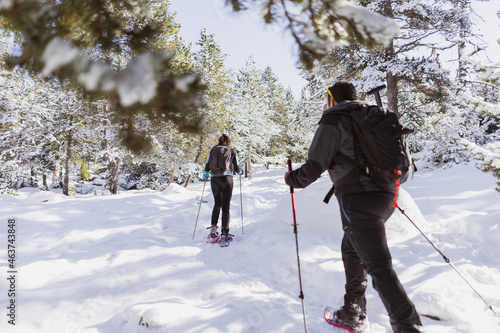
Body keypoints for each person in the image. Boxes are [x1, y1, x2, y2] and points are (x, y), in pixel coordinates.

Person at [284, 82, 422, 333]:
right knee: (351, 248)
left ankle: (408, 326)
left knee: (378, 266)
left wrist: (292, 179)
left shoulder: (334, 119)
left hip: (357, 201)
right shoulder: (374, 117)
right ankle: (353, 310)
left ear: (331, 99)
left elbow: (315, 165)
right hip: (388, 197)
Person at [203, 134, 242, 243]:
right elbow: (236, 165)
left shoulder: (213, 150)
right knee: (225, 207)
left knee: (217, 204)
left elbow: (207, 163)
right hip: (227, 179)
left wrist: (206, 174)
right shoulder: (231, 150)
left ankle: (213, 231)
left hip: (214, 179)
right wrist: (239, 172)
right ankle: (224, 234)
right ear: (229, 142)